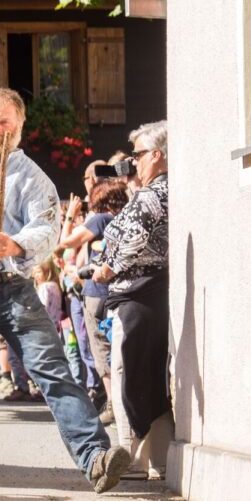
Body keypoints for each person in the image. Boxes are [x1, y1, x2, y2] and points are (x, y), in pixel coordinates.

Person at [0, 89, 129, 491]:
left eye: (6, 122)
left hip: (13, 288)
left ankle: (95, 457)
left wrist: (17, 244)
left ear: (20, 128)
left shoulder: (31, 177)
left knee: (53, 371)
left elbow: (46, 225)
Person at [93, 121, 170, 478]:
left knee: (129, 372)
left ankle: (131, 456)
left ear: (157, 155)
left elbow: (131, 242)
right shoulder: (154, 190)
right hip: (146, 291)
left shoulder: (153, 195)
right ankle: (150, 460)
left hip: (138, 291)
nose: (133, 162)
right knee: (144, 374)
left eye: (138, 155)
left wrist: (106, 268)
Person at [58, 176, 127, 412]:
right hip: (117, 288)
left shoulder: (100, 219)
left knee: (100, 347)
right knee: (117, 343)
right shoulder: (124, 217)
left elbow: (66, 242)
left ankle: (112, 402)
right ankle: (121, 400)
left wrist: (69, 216)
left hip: (96, 291)